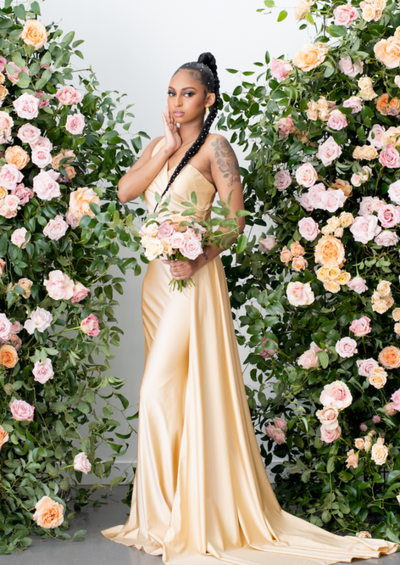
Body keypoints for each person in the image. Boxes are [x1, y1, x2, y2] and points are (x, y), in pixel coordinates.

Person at [101, 53, 397, 565]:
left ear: (208, 99)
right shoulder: (159, 144)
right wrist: (164, 148)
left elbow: (235, 220)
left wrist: (198, 257)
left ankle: (189, 516)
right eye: (171, 93)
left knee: (154, 394)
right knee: (170, 396)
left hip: (191, 281)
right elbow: (127, 191)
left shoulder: (216, 147)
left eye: (188, 93)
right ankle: (163, 517)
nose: (177, 102)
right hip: (156, 284)